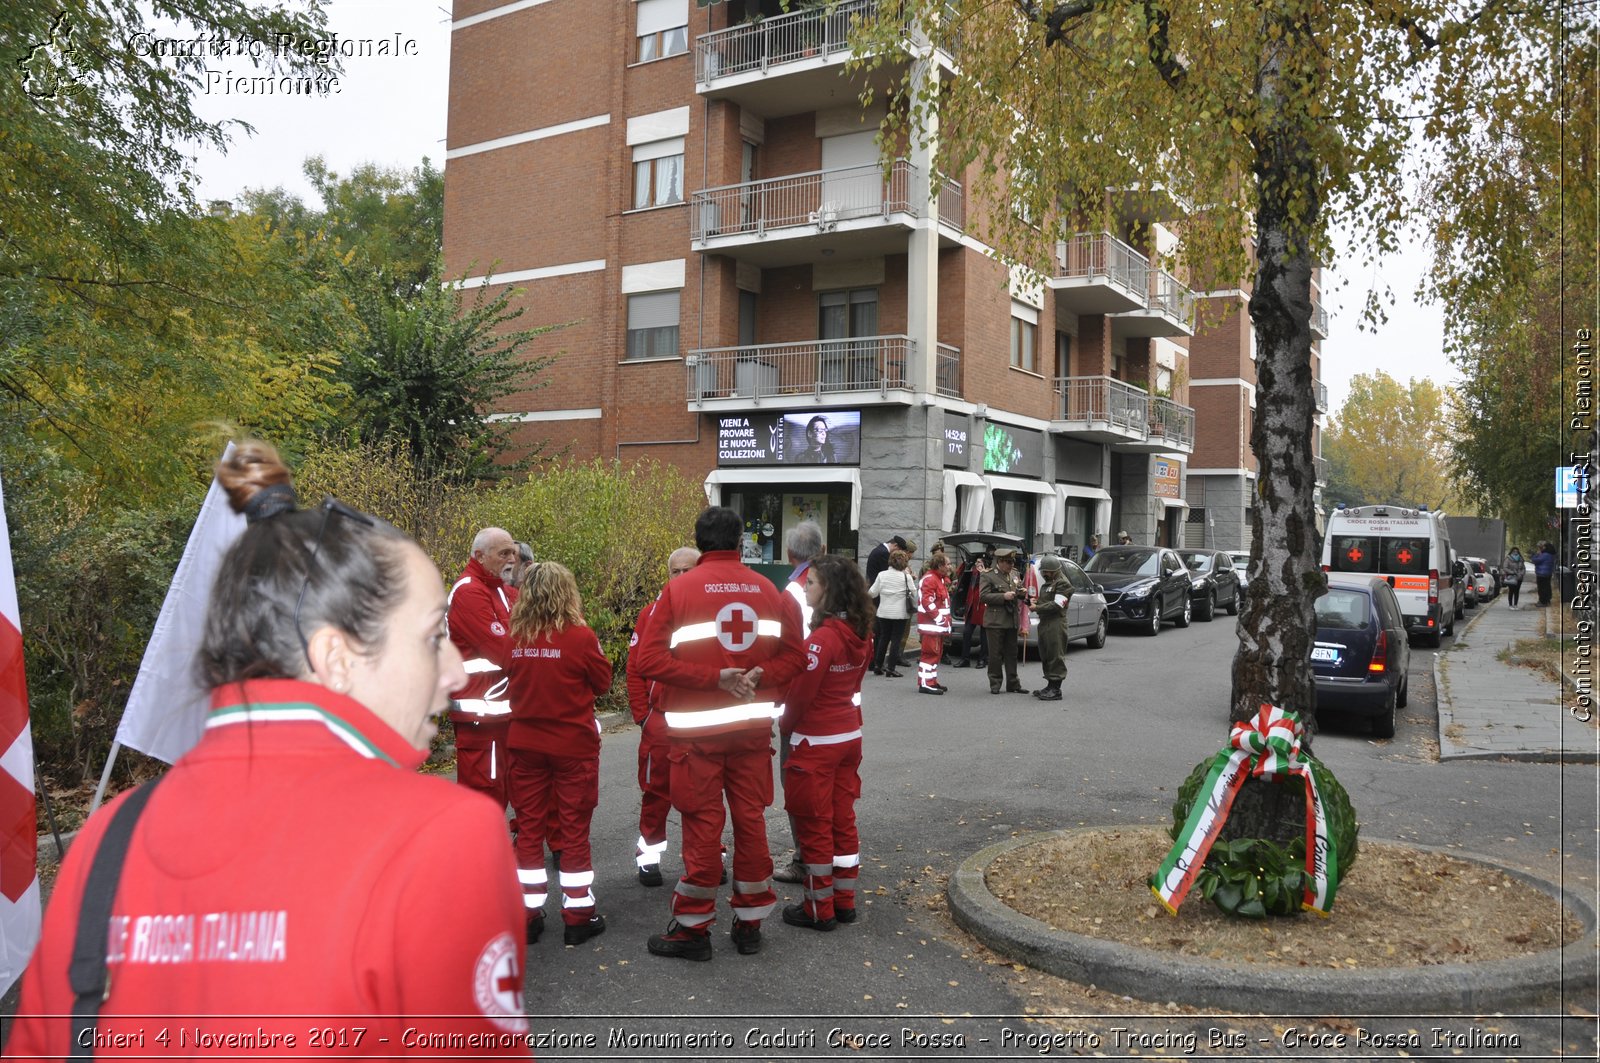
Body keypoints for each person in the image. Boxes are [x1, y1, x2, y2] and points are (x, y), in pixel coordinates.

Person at [9, 441, 531, 1053]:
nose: (451, 670)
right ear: (335, 657)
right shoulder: (446, 834)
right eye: (429, 637)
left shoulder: (106, 839)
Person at [632, 506, 807, 961]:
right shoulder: (771, 591)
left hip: (696, 740)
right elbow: (796, 658)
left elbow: (647, 662)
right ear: (740, 542)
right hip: (750, 732)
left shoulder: (678, 590)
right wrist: (756, 675)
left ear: (700, 541)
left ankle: (692, 930)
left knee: (703, 827)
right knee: (751, 824)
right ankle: (750, 924)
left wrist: (716, 679)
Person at [497, 561, 613, 947]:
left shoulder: (516, 638)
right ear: (567, 593)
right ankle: (578, 915)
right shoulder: (580, 637)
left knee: (528, 829)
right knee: (574, 832)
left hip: (526, 745)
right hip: (572, 747)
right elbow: (601, 682)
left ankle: (527, 915)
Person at [779, 555, 872, 931]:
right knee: (842, 818)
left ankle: (819, 909)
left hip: (816, 742)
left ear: (829, 591)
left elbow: (799, 696)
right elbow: (853, 684)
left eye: (812, 582)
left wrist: (786, 725)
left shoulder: (822, 641)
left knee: (815, 823)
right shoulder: (861, 632)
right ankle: (844, 901)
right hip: (848, 735)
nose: (805, 587)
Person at [627, 547, 700, 887]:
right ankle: (649, 856)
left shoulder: (710, 613)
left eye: (690, 571)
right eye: (677, 572)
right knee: (656, 793)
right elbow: (634, 668)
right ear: (668, 575)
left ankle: (708, 856)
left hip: (701, 721)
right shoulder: (650, 613)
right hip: (661, 722)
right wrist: (643, 716)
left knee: (704, 794)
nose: (683, 578)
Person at [446, 527, 521, 835]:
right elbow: (507, 650)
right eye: (504, 553)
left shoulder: (502, 590)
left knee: (510, 788)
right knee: (483, 795)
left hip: (504, 712)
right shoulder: (468, 592)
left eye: (513, 552)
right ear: (480, 556)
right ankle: (471, 864)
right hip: (481, 716)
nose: (512, 559)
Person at [774, 521, 825, 886]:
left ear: (790, 554)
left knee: (797, 785)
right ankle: (826, 856)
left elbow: (790, 652)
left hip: (803, 702)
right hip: (839, 706)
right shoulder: (835, 580)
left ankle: (805, 859)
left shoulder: (795, 591)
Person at [980, 547, 1028, 695]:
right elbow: (983, 596)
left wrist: (1021, 593)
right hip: (995, 620)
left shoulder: (1014, 574)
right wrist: (1002, 597)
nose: (1010, 565)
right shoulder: (988, 575)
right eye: (1007, 562)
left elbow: (1018, 589)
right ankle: (995, 683)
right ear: (999, 562)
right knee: (995, 654)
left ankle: (1013, 683)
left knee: (1012, 653)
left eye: (1012, 561)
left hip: (1011, 619)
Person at [867, 549, 915, 678]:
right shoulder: (906, 577)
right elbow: (914, 593)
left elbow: (872, 593)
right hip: (900, 613)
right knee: (896, 640)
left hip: (883, 612)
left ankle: (878, 665)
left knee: (883, 638)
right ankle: (891, 668)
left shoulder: (882, 575)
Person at [1031, 555, 1073, 702]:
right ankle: (1050, 685)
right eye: (1043, 571)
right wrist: (1034, 601)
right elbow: (1047, 600)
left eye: (1046, 571)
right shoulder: (1051, 582)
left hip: (1056, 623)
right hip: (1045, 622)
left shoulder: (1063, 584)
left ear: (1054, 571)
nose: (1044, 574)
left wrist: (1037, 607)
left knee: (1055, 654)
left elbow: (1057, 605)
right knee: (1046, 653)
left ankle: (1056, 688)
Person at [915, 553, 952, 695]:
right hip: (932, 626)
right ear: (940, 565)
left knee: (935, 654)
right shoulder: (931, 580)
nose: (950, 567)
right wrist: (939, 619)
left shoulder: (939, 579)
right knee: (930, 654)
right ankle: (925, 683)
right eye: (947, 564)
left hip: (937, 627)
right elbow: (927, 602)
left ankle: (931, 681)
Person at [951, 555, 989, 669]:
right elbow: (960, 576)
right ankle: (965, 659)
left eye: (979, 562)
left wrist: (983, 572)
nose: (977, 564)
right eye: (976, 562)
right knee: (967, 633)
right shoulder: (972, 573)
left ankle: (983, 659)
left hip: (983, 607)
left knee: (984, 635)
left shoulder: (987, 574)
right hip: (972, 606)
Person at [1533, 541, 1557, 607]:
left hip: (1542, 573)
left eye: (1543, 546)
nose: (1542, 548)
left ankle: (1543, 601)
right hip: (1547, 573)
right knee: (1547, 587)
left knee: (1542, 588)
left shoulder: (1545, 555)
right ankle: (1547, 600)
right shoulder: (1550, 555)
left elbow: (1535, 560)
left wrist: (1537, 554)